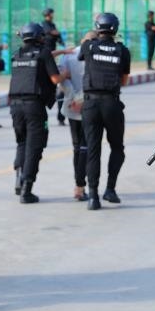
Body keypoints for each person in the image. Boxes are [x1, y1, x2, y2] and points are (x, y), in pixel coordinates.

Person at [78, 13, 131, 209]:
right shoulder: (122, 50)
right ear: (115, 29)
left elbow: (81, 51)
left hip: (90, 105)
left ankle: (93, 196)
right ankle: (110, 189)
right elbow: (124, 81)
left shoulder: (89, 46)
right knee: (117, 148)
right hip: (111, 103)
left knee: (93, 149)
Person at [9, 23, 62, 204]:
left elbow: (37, 60)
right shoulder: (44, 52)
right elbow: (55, 78)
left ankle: (19, 180)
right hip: (34, 106)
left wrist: (61, 52)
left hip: (15, 106)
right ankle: (27, 190)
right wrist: (66, 74)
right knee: (35, 146)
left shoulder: (16, 54)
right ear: (39, 37)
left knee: (22, 142)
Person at [59, 33, 94, 201]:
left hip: (72, 105)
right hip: (90, 105)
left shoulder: (69, 55)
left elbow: (62, 79)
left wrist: (73, 97)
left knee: (77, 147)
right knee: (87, 147)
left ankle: (78, 185)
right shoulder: (96, 53)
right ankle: (80, 186)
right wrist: (82, 99)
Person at [40, 8, 66, 125]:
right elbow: (51, 32)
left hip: (52, 56)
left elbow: (57, 36)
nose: (52, 15)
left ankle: (61, 116)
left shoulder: (52, 24)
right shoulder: (45, 24)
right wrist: (57, 33)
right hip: (47, 55)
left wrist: (61, 40)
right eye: (51, 14)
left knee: (59, 87)